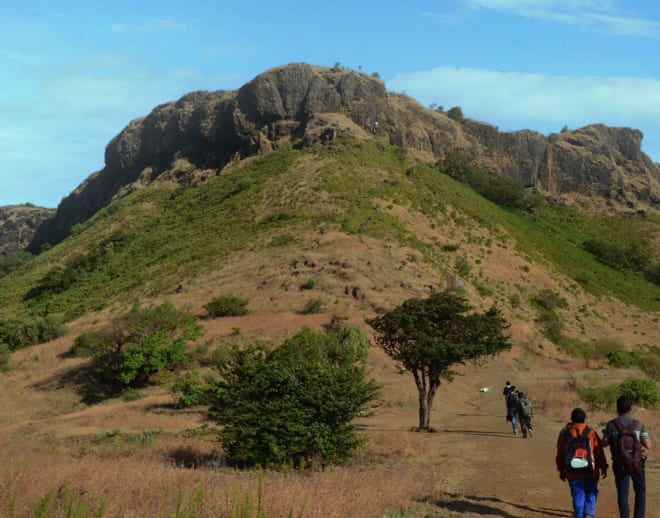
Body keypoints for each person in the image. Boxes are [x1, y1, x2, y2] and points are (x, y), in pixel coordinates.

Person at [602, 396, 652, 518]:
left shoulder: (611, 425)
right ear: (630, 409)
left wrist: (606, 435)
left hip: (620, 463)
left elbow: (604, 443)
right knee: (640, 491)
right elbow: (648, 445)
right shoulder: (638, 424)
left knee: (622, 494)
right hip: (637, 462)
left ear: (617, 408)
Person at [556, 408, 608, 518]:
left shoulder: (565, 433)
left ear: (571, 418)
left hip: (572, 471)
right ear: (584, 419)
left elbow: (560, 453)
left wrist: (561, 470)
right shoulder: (591, 432)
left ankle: (579, 515)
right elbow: (599, 451)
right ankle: (589, 512)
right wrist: (603, 466)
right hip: (591, 471)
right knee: (591, 491)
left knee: (578, 494)